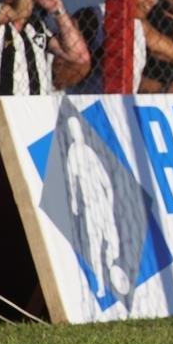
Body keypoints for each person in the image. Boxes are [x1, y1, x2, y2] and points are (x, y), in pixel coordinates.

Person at [64, 115, 123, 297]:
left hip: (102, 203)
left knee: (112, 244)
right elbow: (73, 181)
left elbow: (105, 181)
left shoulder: (89, 153)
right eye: (73, 130)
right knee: (94, 246)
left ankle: (113, 267)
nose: (77, 133)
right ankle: (99, 284)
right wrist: (74, 200)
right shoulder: (73, 154)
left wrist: (110, 204)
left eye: (78, 129)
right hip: (89, 208)